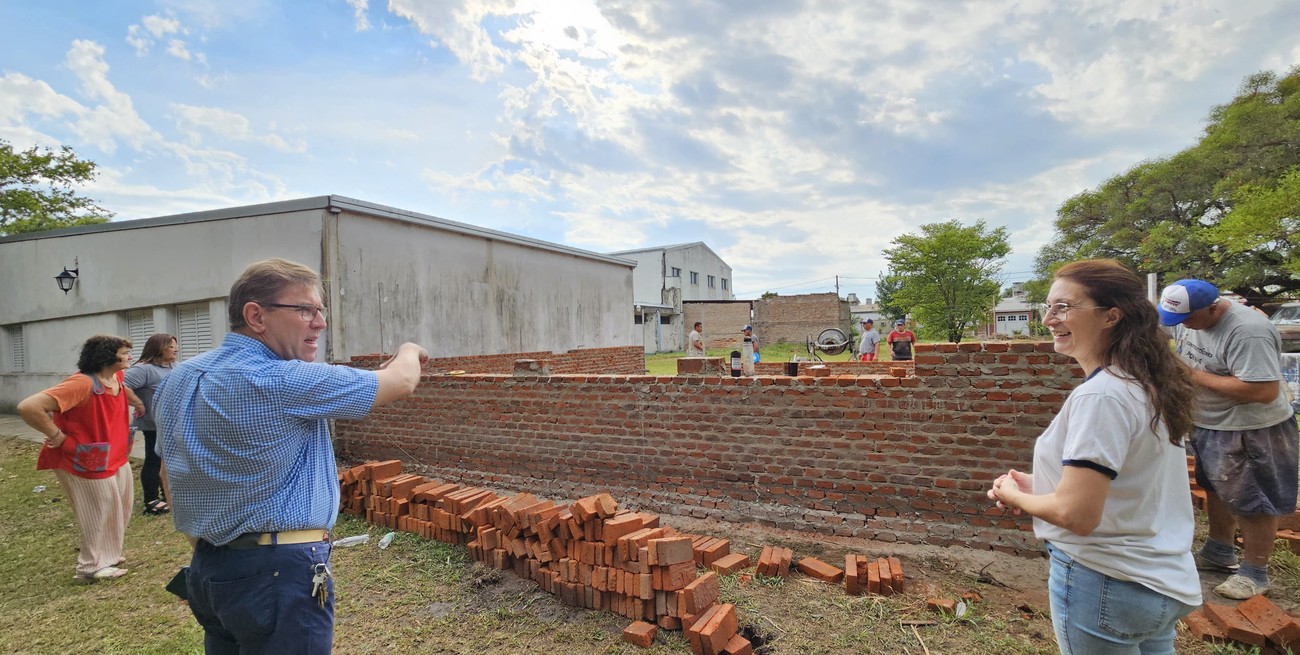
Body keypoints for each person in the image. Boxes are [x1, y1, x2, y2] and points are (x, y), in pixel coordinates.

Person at [154, 258, 429, 654]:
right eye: (304, 309)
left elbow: (168, 469)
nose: (319, 322)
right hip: (280, 573)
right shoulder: (283, 378)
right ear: (256, 316)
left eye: (320, 310)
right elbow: (401, 381)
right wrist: (408, 349)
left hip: (211, 569)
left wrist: (206, 548)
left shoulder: (180, 378)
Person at [988, 259, 1200, 655]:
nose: (1049, 318)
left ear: (1111, 316)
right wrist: (1044, 487)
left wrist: (1014, 496)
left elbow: (1077, 516)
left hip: (1107, 580)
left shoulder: (1101, 395)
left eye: (1065, 307)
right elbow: (1130, 483)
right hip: (1159, 579)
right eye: (1048, 307)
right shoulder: (1141, 383)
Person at [1160, 279, 1299, 600]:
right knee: (1216, 487)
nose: (1181, 326)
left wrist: (1191, 375)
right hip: (1212, 422)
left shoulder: (1248, 331)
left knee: (1253, 499)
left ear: (1213, 307)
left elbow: (1263, 391)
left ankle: (1255, 572)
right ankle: (1219, 551)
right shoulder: (1187, 316)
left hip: (1252, 428)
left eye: (1187, 319)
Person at [17, 335, 145, 582]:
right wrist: (58, 436)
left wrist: (136, 402)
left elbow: (122, 389)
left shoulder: (115, 376)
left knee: (119, 506)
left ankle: (108, 556)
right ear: (107, 356)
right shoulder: (81, 384)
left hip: (114, 455)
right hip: (84, 458)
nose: (129, 356)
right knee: (97, 511)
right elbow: (28, 406)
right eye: (124, 352)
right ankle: (89, 568)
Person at [124, 333, 178, 515]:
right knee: (154, 459)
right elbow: (119, 386)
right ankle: (151, 499)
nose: (175, 349)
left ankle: (167, 494)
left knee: (167, 460)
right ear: (159, 348)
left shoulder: (169, 367)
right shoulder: (144, 369)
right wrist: (138, 403)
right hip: (153, 424)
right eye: (171, 346)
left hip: (169, 423)